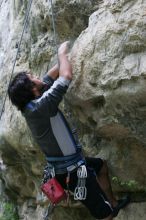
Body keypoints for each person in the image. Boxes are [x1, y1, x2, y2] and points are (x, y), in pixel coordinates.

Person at [8, 41, 130, 219]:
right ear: (32, 89)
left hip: (69, 166)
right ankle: (109, 211)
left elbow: (49, 77)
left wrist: (66, 55)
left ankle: (112, 204)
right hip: (72, 172)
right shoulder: (41, 107)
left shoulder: (34, 104)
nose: (37, 76)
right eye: (32, 77)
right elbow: (65, 76)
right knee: (105, 216)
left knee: (101, 166)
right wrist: (61, 53)